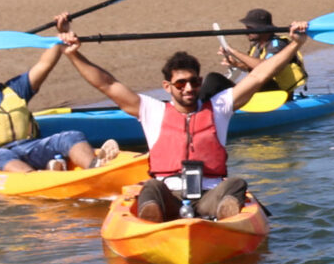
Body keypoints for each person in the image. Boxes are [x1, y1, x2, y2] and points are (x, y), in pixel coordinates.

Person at [58, 16, 306, 221]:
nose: (188, 88)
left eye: (194, 82)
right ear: (167, 86)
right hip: (169, 196)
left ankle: (224, 220)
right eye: (180, 83)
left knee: (237, 183)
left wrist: (295, 45)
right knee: (150, 187)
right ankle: (154, 222)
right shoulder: (150, 110)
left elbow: (258, 77)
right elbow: (107, 84)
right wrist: (73, 55)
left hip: (210, 195)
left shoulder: (219, 107)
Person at [215, 8, 309, 98]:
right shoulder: (256, 45)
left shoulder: (278, 44)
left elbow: (265, 68)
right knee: (219, 81)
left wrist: (233, 51)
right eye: (246, 27)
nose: (246, 32)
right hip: (262, 92)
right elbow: (253, 66)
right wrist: (236, 64)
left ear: (264, 29)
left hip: (280, 95)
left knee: (259, 80)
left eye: (250, 28)